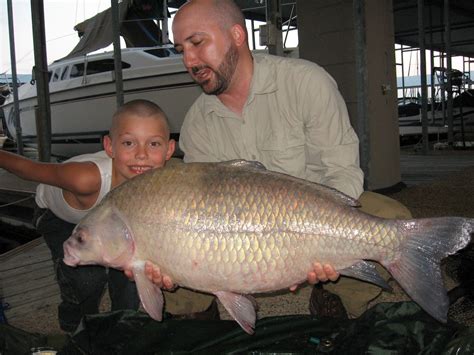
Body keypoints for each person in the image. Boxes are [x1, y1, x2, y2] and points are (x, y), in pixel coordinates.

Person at [169, 0, 412, 318]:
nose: (189, 60)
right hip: (242, 233)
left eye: (197, 42)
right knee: (165, 251)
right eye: (180, 49)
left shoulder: (307, 82)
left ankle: (335, 297)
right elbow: (202, 207)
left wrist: (323, 239)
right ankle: (197, 313)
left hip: (318, 216)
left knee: (392, 220)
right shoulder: (197, 122)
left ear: (237, 35)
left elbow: (343, 171)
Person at [0, 99, 201, 332]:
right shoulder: (85, 179)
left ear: (169, 150)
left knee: (129, 279)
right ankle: (74, 329)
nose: (142, 155)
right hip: (60, 217)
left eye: (153, 144)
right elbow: (31, 170)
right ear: (110, 147)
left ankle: (123, 329)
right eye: (128, 143)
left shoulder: (160, 182)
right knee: (86, 282)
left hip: (113, 221)